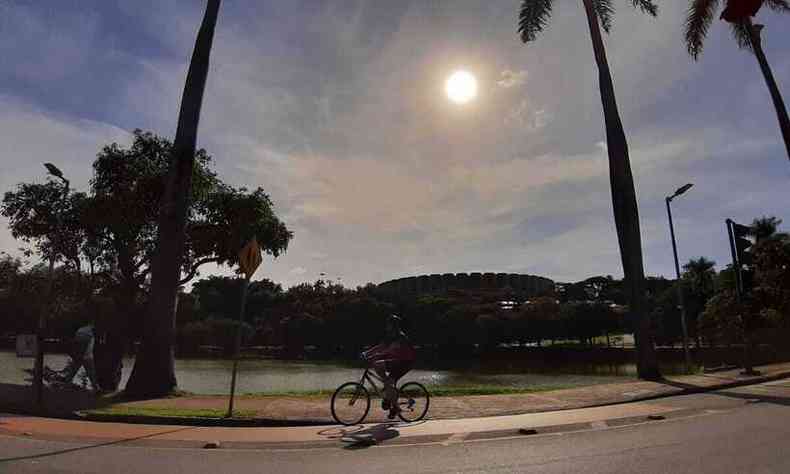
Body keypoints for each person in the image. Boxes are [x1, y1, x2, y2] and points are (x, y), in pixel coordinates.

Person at [362, 314, 417, 419]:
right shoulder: (390, 336)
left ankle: (396, 407)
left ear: (393, 325)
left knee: (379, 366)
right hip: (396, 362)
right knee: (386, 380)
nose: (386, 326)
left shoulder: (401, 336)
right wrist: (367, 352)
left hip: (405, 363)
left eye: (388, 324)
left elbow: (391, 349)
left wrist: (376, 355)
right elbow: (381, 346)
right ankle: (389, 395)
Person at [59, 323, 100, 393]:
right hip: (87, 356)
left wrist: (75, 354)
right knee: (91, 373)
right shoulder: (90, 333)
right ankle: (96, 388)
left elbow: (75, 343)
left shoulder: (80, 330)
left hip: (79, 355)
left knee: (73, 371)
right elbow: (86, 345)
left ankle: (65, 386)